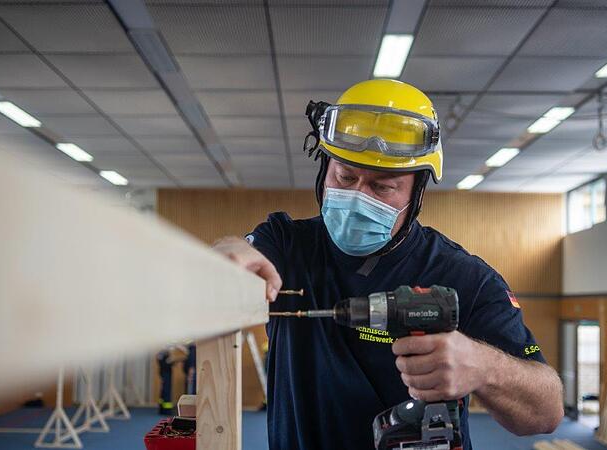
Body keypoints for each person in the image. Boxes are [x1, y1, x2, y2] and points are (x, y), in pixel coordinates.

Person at [213, 79, 563, 450]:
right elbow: (237, 255)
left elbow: (547, 410)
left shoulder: (465, 278)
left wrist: (482, 367)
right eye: (345, 176)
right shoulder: (286, 244)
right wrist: (229, 253)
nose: (357, 196)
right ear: (324, 168)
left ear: (417, 193)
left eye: (382, 187)